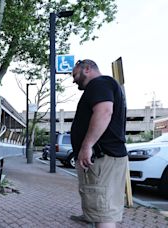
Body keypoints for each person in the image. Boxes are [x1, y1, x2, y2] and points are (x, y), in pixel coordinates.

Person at [70, 59, 128, 228]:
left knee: (104, 213)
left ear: (87, 69)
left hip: (103, 158)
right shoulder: (105, 85)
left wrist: (87, 146)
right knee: (102, 208)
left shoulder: (99, 83)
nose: (74, 80)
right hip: (107, 158)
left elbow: (104, 111)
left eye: (75, 75)